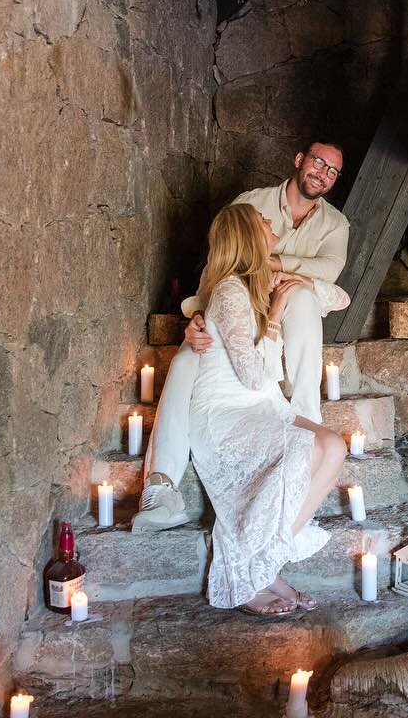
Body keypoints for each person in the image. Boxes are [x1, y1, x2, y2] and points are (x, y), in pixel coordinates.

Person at [134, 141, 350, 531]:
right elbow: (221, 263)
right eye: (318, 162)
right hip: (239, 308)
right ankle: (161, 484)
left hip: (288, 312)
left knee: (300, 296)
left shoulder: (335, 224)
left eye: (333, 171)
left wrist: (277, 270)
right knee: (185, 360)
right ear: (299, 160)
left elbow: (330, 272)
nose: (324, 173)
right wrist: (200, 316)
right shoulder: (252, 202)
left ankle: (304, 412)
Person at [185, 203, 347, 615]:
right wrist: (275, 312)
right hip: (226, 410)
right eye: (263, 222)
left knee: (335, 447)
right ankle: (253, 572)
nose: (271, 224)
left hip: (261, 403)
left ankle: (267, 560)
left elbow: (339, 296)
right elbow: (255, 376)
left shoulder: (255, 282)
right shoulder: (229, 292)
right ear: (247, 236)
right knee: (309, 449)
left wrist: (297, 280)